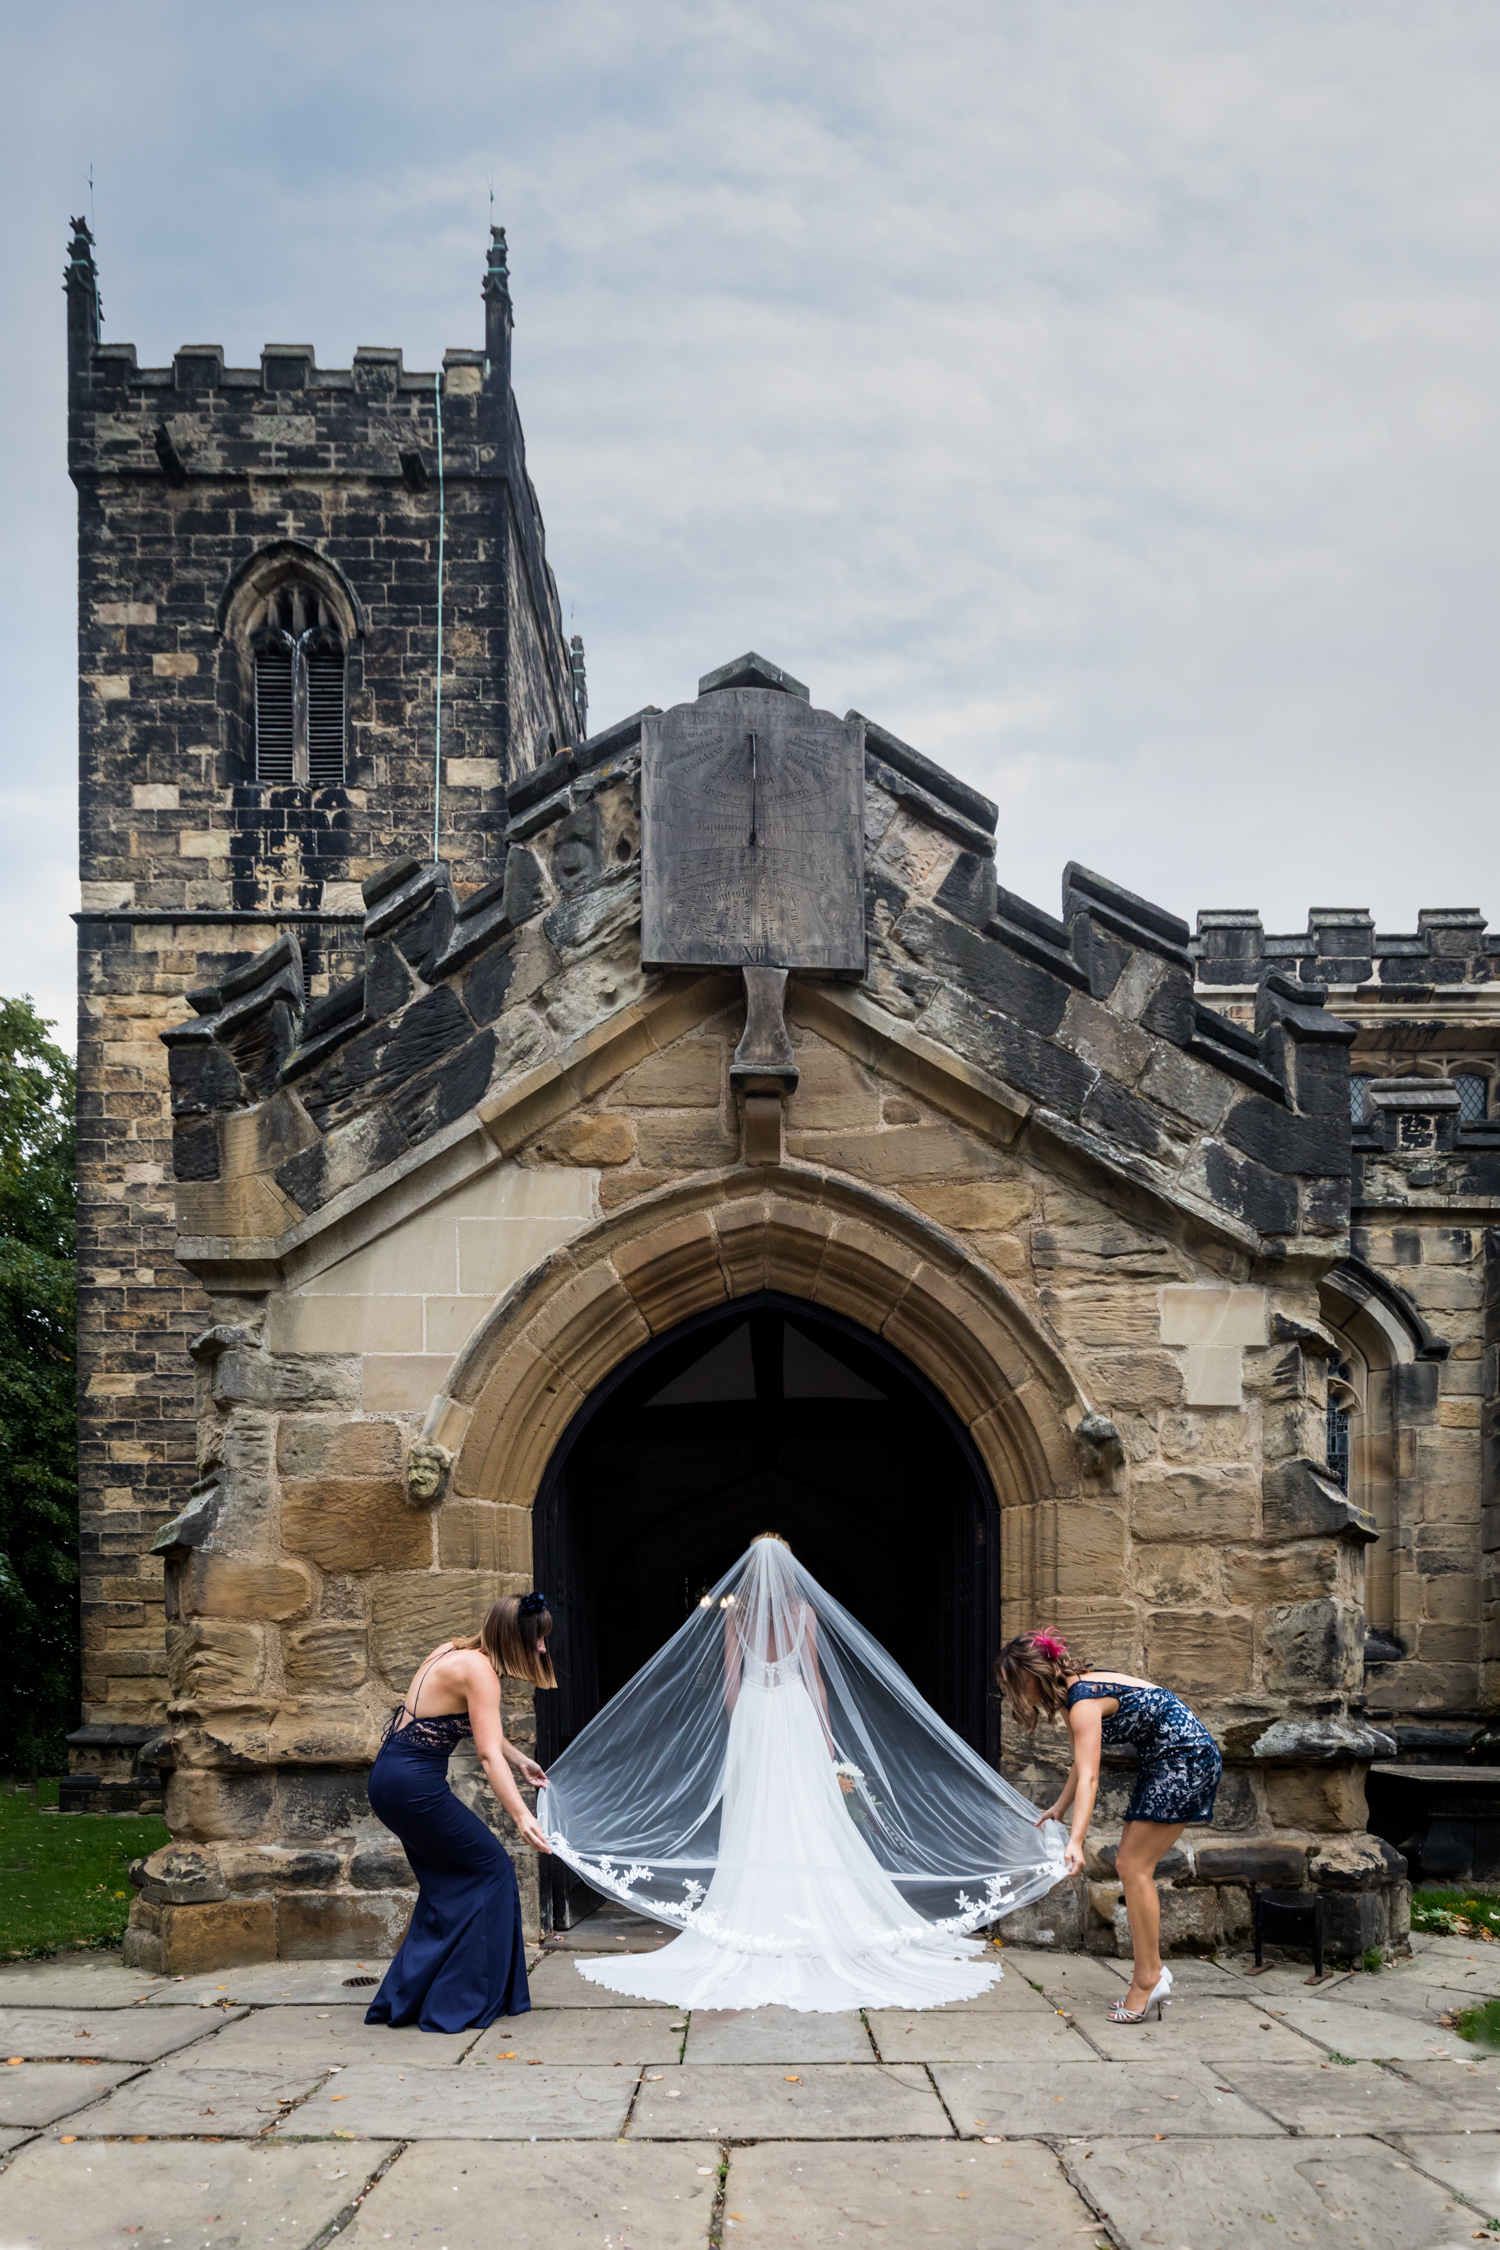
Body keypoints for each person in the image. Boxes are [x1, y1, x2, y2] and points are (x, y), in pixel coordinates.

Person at [540, 1535, 1065, 2011]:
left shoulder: (734, 1618)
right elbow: (815, 1680)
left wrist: (741, 1725)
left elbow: (728, 1683)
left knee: (754, 1804)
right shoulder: (804, 1613)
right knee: (806, 1804)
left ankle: (754, 1905)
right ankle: (819, 1901)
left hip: (753, 1711)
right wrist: (825, 1735)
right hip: (794, 1711)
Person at [995, 1628, 1222, 2024]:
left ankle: (1148, 1979)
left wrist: (1077, 1842)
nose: (1013, 1693)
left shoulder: (1082, 1701)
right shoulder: (1074, 1694)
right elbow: (1080, 1767)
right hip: (1168, 1759)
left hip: (1185, 1758)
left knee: (1133, 1867)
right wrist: (1059, 1809)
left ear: (1032, 1674)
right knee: (1131, 1866)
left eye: (1014, 1683)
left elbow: (1091, 1779)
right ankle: (1152, 1972)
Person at [364, 1591, 556, 2033]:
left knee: (446, 1886)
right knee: (492, 1870)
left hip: (392, 1778)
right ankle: (459, 2002)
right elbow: (486, 1755)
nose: (543, 1649)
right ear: (514, 1637)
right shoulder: (481, 1672)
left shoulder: (454, 1650)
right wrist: (522, 1817)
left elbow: (474, 1726)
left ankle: (410, 1998)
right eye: (538, 1639)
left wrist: (520, 1760)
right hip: (412, 1788)